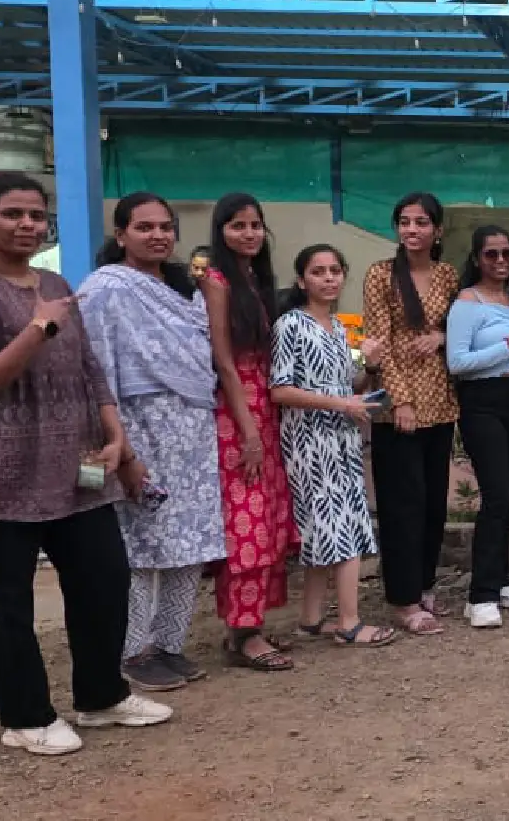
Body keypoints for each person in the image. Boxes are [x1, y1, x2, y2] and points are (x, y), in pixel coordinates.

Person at [0, 172, 172, 756]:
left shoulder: (55, 283)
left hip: (74, 467)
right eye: (12, 214)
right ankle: (25, 717)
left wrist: (118, 441)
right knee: (7, 601)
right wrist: (39, 327)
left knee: (104, 580)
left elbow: (89, 369)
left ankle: (101, 697)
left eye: (36, 215)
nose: (27, 224)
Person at [78, 192, 227, 692]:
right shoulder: (106, 289)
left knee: (191, 540)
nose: (158, 235)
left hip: (193, 430)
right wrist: (121, 448)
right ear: (121, 235)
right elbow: (96, 370)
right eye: (144, 227)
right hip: (139, 427)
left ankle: (169, 644)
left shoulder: (184, 290)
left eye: (165, 227)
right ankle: (132, 650)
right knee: (140, 546)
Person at [270, 244, 397, 649]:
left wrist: (370, 367)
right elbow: (280, 389)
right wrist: (342, 404)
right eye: (318, 271)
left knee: (326, 528)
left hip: (342, 439)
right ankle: (349, 622)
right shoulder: (291, 325)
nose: (328, 278)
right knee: (342, 528)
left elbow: (349, 387)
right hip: (310, 441)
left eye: (334, 271)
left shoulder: (339, 328)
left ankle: (311, 620)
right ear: (301, 280)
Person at [201, 192, 300, 671]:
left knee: (270, 520)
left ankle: (250, 626)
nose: (249, 233)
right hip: (236, 414)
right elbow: (223, 362)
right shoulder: (216, 281)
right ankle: (243, 634)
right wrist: (249, 433)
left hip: (264, 410)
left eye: (255, 225)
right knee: (248, 523)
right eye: (238, 225)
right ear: (221, 231)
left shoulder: (255, 282)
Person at [362, 192, 460, 635]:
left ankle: (424, 585)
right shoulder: (381, 275)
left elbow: (461, 327)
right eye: (404, 222)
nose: (412, 230)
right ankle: (403, 600)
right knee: (403, 504)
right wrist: (400, 401)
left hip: (441, 402)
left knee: (433, 503)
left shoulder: (448, 275)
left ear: (437, 230)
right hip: (398, 408)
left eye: (421, 222)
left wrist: (442, 337)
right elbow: (378, 344)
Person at [447, 226, 509, 628]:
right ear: (476, 259)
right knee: (496, 495)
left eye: (506, 253)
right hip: (481, 400)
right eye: (491, 254)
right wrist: (508, 346)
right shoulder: (467, 302)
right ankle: (480, 596)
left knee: (507, 492)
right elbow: (457, 362)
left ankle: (499, 581)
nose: (500, 261)